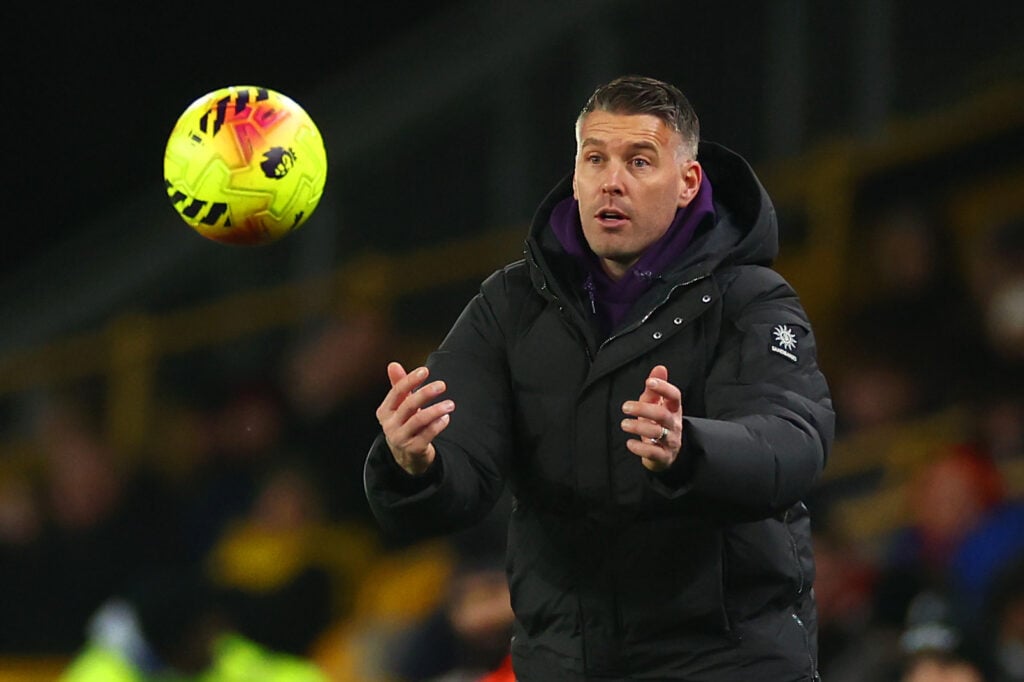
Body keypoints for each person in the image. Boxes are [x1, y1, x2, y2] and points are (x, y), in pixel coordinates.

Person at [365, 75, 834, 681]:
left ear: (689, 182)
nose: (613, 181)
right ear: (577, 173)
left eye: (640, 161)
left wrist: (689, 447)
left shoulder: (752, 300)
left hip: (727, 659)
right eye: (596, 159)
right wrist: (414, 461)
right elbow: (461, 469)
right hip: (570, 662)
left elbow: (793, 441)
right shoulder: (508, 306)